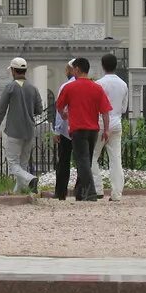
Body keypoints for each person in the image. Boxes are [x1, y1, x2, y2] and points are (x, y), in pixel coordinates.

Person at [55, 57, 111, 201]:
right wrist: (106, 129)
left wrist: (64, 115)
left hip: (78, 128)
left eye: (73, 69)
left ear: (77, 69)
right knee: (87, 159)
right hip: (93, 129)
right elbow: (105, 111)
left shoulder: (69, 87)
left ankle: (90, 192)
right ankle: (82, 192)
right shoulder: (97, 87)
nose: (72, 71)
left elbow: (59, 106)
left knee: (82, 161)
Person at [0, 57, 44, 193]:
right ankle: (17, 193)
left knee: (13, 165)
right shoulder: (33, 88)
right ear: (24, 71)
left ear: (13, 70)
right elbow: (39, 110)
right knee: (23, 164)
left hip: (14, 131)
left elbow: (1, 111)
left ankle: (31, 179)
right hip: (29, 131)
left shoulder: (10, 87)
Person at [90, 53, 128, 201]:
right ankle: (117, 193)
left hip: (101, 122)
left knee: (92, 156)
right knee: (116, 159)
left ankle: (98, 188)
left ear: (102, 65)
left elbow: (95, 106)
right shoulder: (123, 84)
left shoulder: (99, 84)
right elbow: (124, 109)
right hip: (117, 122)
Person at [53, 61, 76, 201]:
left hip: (66, 130)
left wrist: (57, 129)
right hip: (84, 130)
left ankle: (61, 192)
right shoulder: (92, 84)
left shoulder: (66, 86)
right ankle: (82, 191)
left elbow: (59, 109)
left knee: (63, 162)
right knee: (83, 162)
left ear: (72, 70)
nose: (65, 71)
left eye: (67, 69)